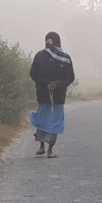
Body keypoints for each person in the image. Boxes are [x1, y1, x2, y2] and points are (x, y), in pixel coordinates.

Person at [29, 31, 75, 159]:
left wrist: (46, 84)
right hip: (58, 97)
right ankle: (50, 151)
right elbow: (70, 77)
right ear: (58, 41)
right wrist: (58, 84)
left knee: (42, 120)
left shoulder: (39, 56)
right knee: (54, 122)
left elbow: (33, 74)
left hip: (43, 94)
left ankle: (41, 146)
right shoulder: (66, 58)